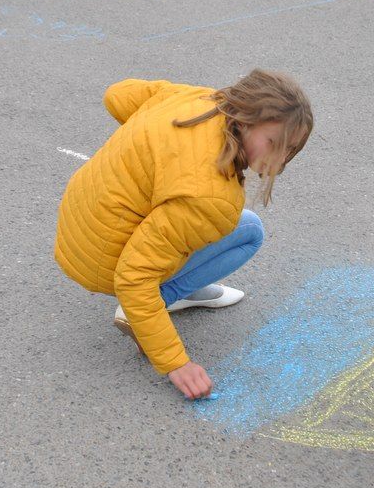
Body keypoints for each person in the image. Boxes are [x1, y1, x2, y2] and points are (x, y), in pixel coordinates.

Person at [54, 71, 313, 400]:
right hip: (101, 260)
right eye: (273, 143)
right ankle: (163, 299)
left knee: (183, 219)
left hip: (79, 221)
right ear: (245, 117)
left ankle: (181, 283)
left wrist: (151, 148)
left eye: (289, 150)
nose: (278, 160)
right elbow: (133, 278)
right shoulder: (212, 197)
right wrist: (176, 363)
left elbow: (116, 96)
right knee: (249, 230)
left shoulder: (194, 99)